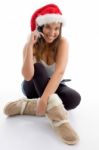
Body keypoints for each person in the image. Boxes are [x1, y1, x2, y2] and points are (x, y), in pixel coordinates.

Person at [3, 4, 81, 145]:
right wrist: (29, 46)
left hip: (52, 83)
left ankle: (27, 106)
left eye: (56, 28)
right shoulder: (31, 45)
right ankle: (59, 119)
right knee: (38, 68)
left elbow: (59, 73)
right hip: (32, 86)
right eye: (48, 27)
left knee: (73, 98)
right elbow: (27, 76)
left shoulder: (63, 42)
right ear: (40, 27)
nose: (52, 32)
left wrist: (44, 99)